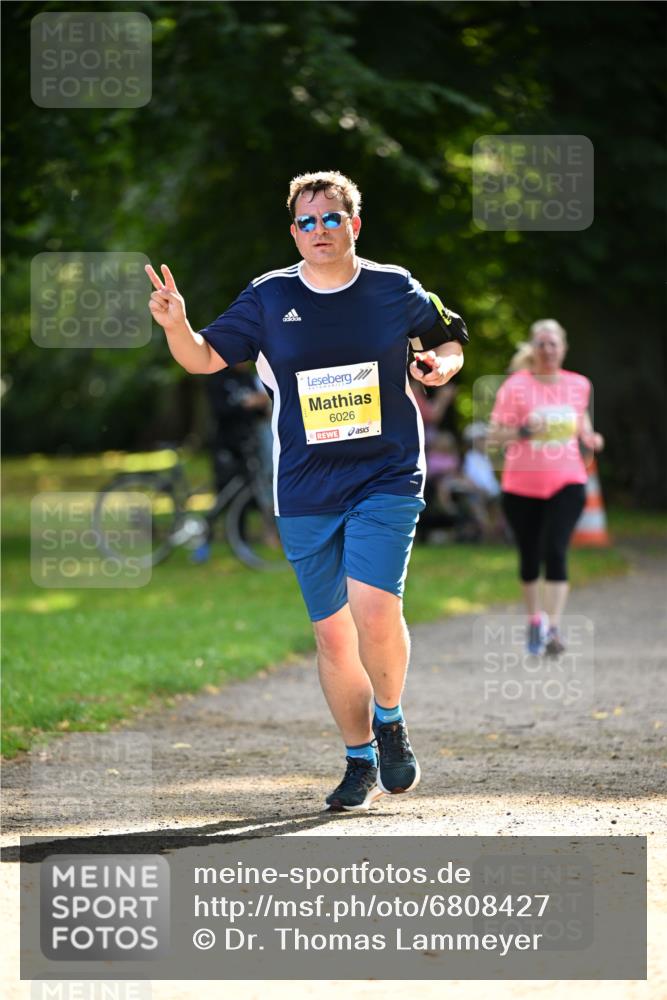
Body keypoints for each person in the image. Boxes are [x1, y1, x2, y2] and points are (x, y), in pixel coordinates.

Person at [145, 169, 468, 811]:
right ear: (294, 231)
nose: (319, 230)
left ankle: (391, 716)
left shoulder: (392, 286)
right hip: (305, 485)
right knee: (332, 635)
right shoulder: (268, 297)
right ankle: (358, 758)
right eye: (306, 221)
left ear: (354, 223)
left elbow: (449, 335)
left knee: (374, 607)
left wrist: (443, 364)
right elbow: (205, 357)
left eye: (331, 218)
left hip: (387, 471)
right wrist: (175, 324)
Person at [488, 319, 604, 656]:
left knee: (555, 550)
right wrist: (523, 431)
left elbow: (582, 426)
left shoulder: (579, 385)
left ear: (563, 349)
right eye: (541, 343)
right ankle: (534, 620)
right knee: (529, 557)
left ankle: (553, 628)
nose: (548, 349)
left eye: (554, 343)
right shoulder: (515, 387)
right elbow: (495, 435)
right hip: (521, 485)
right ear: (533, 349)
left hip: (567, 480)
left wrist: (591, 438)